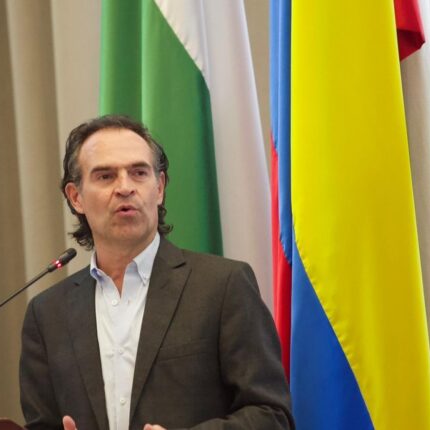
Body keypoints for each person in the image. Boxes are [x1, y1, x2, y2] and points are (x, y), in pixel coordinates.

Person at [19, 115, 293, 430]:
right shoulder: (48, 314)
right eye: (106, 176)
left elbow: (272, 416)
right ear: (76, 197)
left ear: (159, 188)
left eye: (139, 173)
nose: (125, 187)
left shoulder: (222, 287)